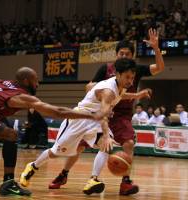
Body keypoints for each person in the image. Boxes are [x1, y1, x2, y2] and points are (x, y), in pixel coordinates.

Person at [48, 28, 165, 196]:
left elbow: (160, 67)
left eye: (127, 54)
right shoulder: (107, 69)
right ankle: (63, 174)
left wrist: (155, 48)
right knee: (78, 147)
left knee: (128, 144)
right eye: (121, 53)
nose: (124, 56)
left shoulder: (136, 70)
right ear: (116, 55)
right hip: (100, 113)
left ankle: (125, 182)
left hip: (121, 116)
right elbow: (88, 86)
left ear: (132, 56)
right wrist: (103, 89)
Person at [20, 58, 151, 191]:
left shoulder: (119, 86)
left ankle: (93, 180)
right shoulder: (108, 91)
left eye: (132, 78)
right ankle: (32, 166)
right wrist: (106, 134)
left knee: (106, 146)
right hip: (78, 119)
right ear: (117, 74)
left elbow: (122, 95)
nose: (130, 81)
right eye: (127, 77)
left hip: (93, 121)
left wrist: (137, 95)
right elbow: (104, 114)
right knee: (56, 152)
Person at [0, 67, 103, 196]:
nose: (38, 84)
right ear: (26, 81)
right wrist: (91, 116)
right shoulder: (21, 96)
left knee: (7, 128)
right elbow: (58, 112)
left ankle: (8, 183)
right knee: (11, 135)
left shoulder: (0, 83)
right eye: (35, 81)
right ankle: (8, 183)